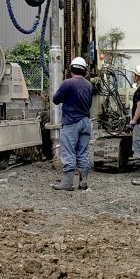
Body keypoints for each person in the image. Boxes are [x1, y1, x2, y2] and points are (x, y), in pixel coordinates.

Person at [52, 56, 94, 191]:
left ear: (71, 69)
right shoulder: (89, 85)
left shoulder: (67, 83)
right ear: (85, 71)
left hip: (71, 122)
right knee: (83, 151)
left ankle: (68, 183)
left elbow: (55, 99)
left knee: (69, 151)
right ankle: (83, 181)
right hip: (85, 122)